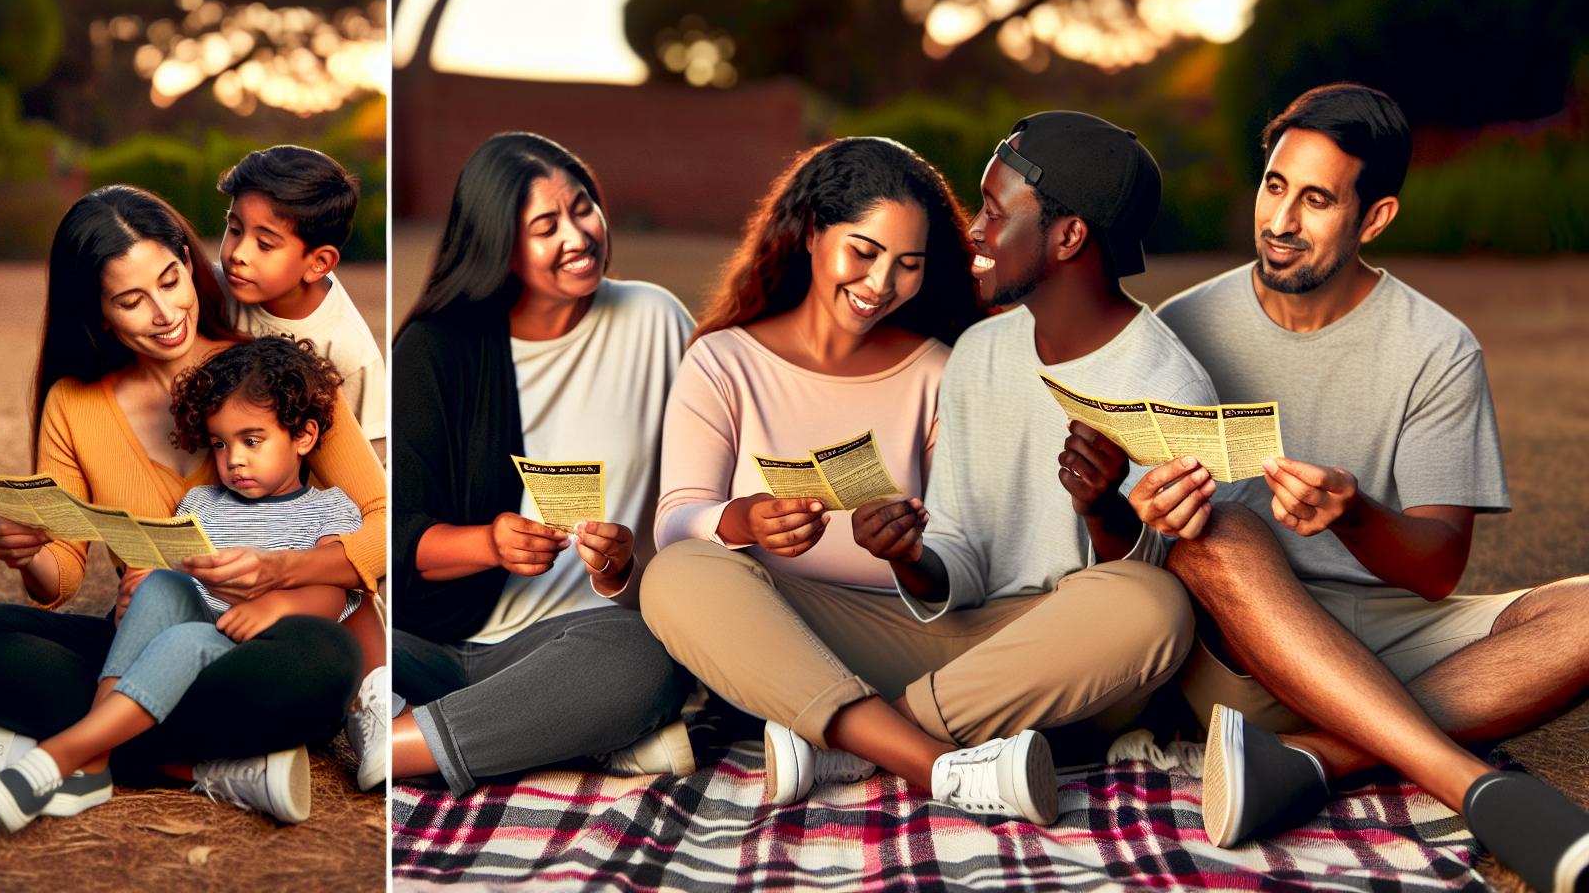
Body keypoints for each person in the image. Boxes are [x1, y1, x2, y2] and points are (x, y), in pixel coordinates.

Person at [1115, 83, 1589, 892]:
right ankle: (1473, 787)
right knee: (1221, 531)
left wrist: (1358, 517)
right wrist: (1143, 513)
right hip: (1240, 643)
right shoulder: (1179, 330)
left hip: (1385, 631)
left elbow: (1440, 570)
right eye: (1273, 186)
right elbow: (1133, 544)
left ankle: (1314, 759)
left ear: (1374, 219)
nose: (1281, 222)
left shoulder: (1438, 348)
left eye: (1316, 200)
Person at [0, 186, 386, 820]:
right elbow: (63, 574)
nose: (165, 313)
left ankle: (47, 746)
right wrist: (28, 554)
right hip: (140, 642)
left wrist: (281, 577)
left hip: (258, 650)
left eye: (171, 280)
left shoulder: (274, 378)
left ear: (191, 265)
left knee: (325, 662)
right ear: (100, 313)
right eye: (132, 300)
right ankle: (193, 764)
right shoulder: (75, 405)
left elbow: (381, 520)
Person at [642, 135, 1118, 820]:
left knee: (1149, 600)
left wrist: (913, 557)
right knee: (677, 574)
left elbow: (969, 563)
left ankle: (856, 742)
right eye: (863, 253)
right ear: (810, 233)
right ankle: (942, 770)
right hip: (784, 634)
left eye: (908, 265)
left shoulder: (937, 370)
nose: (879, 285)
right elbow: (677, 518)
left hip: (927, 647)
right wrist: (741, 520)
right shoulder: (723, 363)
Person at [390, 132, 695, 796]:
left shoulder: (654, 320)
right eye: (545, 226)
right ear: (499, 244)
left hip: (580, 640)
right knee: (331, 628)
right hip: (431, 648)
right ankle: (581, 736)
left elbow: (697, 490)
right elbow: (397, 534)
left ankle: (388, 746)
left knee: (646, 656)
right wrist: (489, 543)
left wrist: (621, 566)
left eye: (582, 208)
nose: (577, 235)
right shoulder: (435, 348)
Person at [0, 336, 361, 831]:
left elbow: (332, 594)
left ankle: (64, 751)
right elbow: (176, 590)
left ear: (303, 436)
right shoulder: (202, 504)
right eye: (220, 444)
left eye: (252, 440)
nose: (234, 459)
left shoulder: (329, 509)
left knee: (290, 650)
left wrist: (274, 609)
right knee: (159, 586)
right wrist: (138, 591)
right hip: (182, 655)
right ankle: (97, 761)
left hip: (259, 667)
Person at [216, 145, 390, 789]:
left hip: (309, 503)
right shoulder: (217, 294)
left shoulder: (348, 349)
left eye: (265, 242)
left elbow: (364, 480)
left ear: (317, 262)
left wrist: (315, 553)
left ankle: (373, 702)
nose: (238, 252)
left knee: (347, 557)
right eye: (234, 228)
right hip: (232, 486)